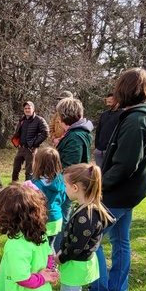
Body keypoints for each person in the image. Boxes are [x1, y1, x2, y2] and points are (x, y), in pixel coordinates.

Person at [84, 68, 146, 291]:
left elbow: (125, 164)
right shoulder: (140, 116)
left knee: (90, 238)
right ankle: (117, 289)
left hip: (120, 192)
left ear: (123, 90)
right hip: (129, 192)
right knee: (121, 240)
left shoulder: (137, 120)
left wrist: (98, 186)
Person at [52, 163, 115, 291]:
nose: (64, 188)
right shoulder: (86, 207)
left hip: (77, 263)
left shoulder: (85, 216)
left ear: (76, 188)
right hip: (80, 264)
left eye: (65, 184)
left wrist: (60, 257)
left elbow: (77, 246)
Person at [52, 95, 94, 240]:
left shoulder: (76, 136)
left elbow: (70, 166)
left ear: (64, 117)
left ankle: (58, 251)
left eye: (59, 115)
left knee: (61, 220)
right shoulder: (75, 132)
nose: (57, 119)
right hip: (66, 183)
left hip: (67, 184)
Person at [30, 147, 66, 251]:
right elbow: (63, 198)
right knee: (51, 246)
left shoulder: (36, 184)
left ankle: (49, 266)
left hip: (43, 220)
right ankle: (53, 266)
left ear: (38, 163)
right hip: (57, 218)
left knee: (42, 248)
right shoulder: (60, 179)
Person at [11, 101, 50, 182]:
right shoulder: (22, 120)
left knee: (29, 172)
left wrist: (34, 144)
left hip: (31, 150)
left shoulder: (39, 120)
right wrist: (17, 143)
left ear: (33, 109)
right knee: (15, 169)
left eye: (29, 108)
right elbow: (18, 133)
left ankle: (28, 190)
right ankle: (14, 189)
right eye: (25, 108)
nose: (27, 110)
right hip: (21, 148)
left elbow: (45, 133)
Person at [92, 93, 122, 167]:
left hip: (112, 151)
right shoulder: (104, 115)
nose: (107, 104)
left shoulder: (122, 115)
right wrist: (97, 147)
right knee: (100, 174)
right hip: (99, 150)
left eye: (110, 102)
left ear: (116, 100)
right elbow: (98, 131)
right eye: (107, 102)